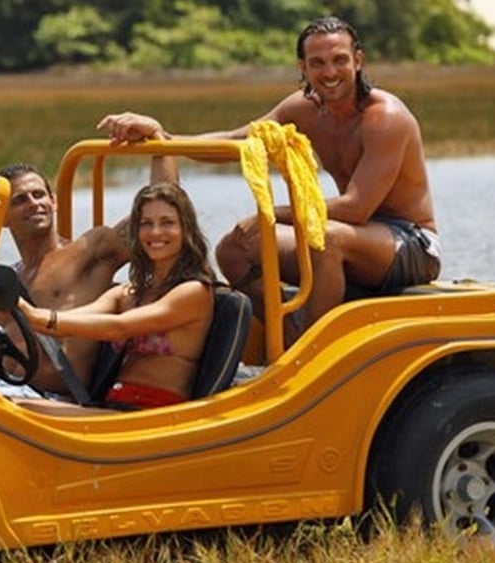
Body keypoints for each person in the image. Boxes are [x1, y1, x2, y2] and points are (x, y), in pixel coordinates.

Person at [96, 16, 440, 345]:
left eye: (340, 60)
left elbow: (356, 208)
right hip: (354, 233)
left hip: (408, 242)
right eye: (318, 63)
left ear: (358, 60)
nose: (330, 72)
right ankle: (287, 339)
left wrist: (271, 214)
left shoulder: (385, 118)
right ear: (302, 67)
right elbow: (236, 141)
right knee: (233, 248)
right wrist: (163, 136)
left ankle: (311, 353)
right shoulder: (303, 109)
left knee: (325, 239)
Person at [16, 182, 214, 411]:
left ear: (186, 229)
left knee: (25, 409)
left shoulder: (193, 291)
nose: (155, 232)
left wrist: (38, 317)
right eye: (146, 223)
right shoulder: (128, 293)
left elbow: (119, 327)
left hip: (152, 414)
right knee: (7, 404)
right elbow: (70, 320)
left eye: (167, 223)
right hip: (114, 407)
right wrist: (25, 314)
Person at [0, 151, 177, 397]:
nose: (33, 203)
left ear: (53, 201)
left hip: (51, 399)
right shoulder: (10, 277)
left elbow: (162, 207)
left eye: (38, 195)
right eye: (20, 200)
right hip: (0, 389)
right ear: (1, 217)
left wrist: (158, 147)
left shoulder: (90, 252)